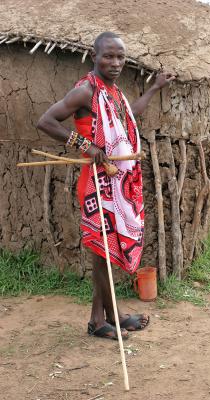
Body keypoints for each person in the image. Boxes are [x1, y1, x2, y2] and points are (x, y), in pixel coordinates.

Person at [37, 31, 175, 340]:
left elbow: (129, 118)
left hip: (116, 180)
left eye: (120, 57)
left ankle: (99, 319)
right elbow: (46, 121)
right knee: (101, 250)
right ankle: (108, 318)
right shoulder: (86, 91)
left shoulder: (113, 92)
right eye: (108, 56)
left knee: (106, 250)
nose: (115, 63)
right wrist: (87, 147)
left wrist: (154, 88)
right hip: (96, 183)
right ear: (93, 57)